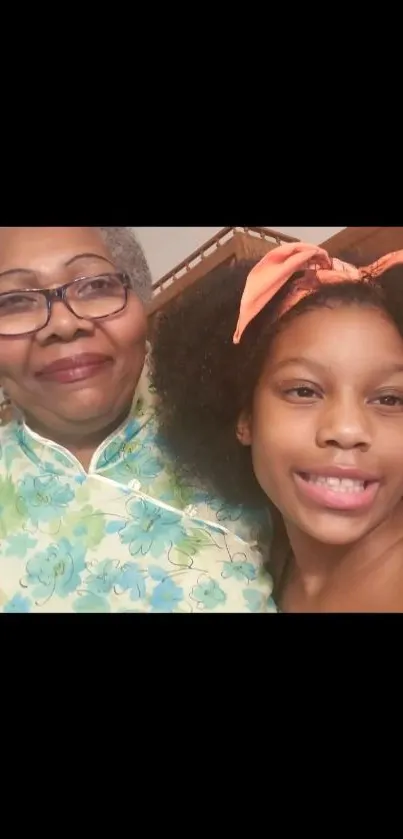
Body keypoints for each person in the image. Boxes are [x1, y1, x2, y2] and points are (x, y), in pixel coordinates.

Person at [0, 227, 274, 613]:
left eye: (94, 286)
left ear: (139, 299)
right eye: (13, 302)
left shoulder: (240, 423)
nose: (63, 325)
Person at [152, 242, 403, 612]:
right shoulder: (270, 559)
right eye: (304, 391)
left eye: (390, 399)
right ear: (245, 416)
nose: (348, 429)